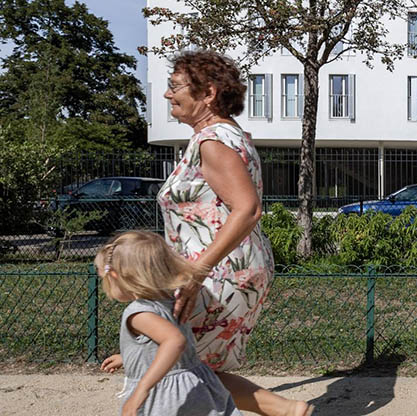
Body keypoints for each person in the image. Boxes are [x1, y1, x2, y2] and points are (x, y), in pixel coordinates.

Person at [161, 50, 312, 416]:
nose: (168, 95)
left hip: (217, 274)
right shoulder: (225, 136)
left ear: (208, 93)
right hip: (229, 269)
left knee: (175, 362)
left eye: (175, 86)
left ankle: (285, 410)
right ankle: (288, 410)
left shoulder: (213, 142)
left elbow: (247, 209)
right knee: (193, 365)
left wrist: (197, 273)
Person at [95, 231, 242, 416]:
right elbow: (162, 347)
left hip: (165, 396)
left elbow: (174, 341)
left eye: (104, 279)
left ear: (116, 276)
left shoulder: (138, 313)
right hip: (199, 384)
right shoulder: (174, 301)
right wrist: (129, 357)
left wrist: (141, 390)